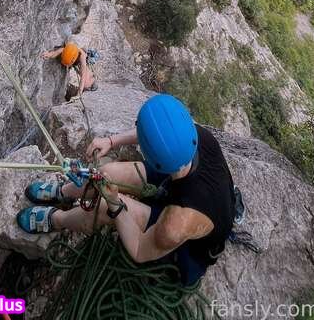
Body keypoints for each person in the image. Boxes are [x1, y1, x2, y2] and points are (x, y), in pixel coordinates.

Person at [17, 94, 236, 286]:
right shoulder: (191, 137)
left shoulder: (177, 222)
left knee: (103, 207)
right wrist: (111, 141)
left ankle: (57, 220)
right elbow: (155, 132)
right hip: (177, 185)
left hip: (184, 245)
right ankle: (64, 192)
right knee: (106, 173)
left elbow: (139, 249)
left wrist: (115, 203)